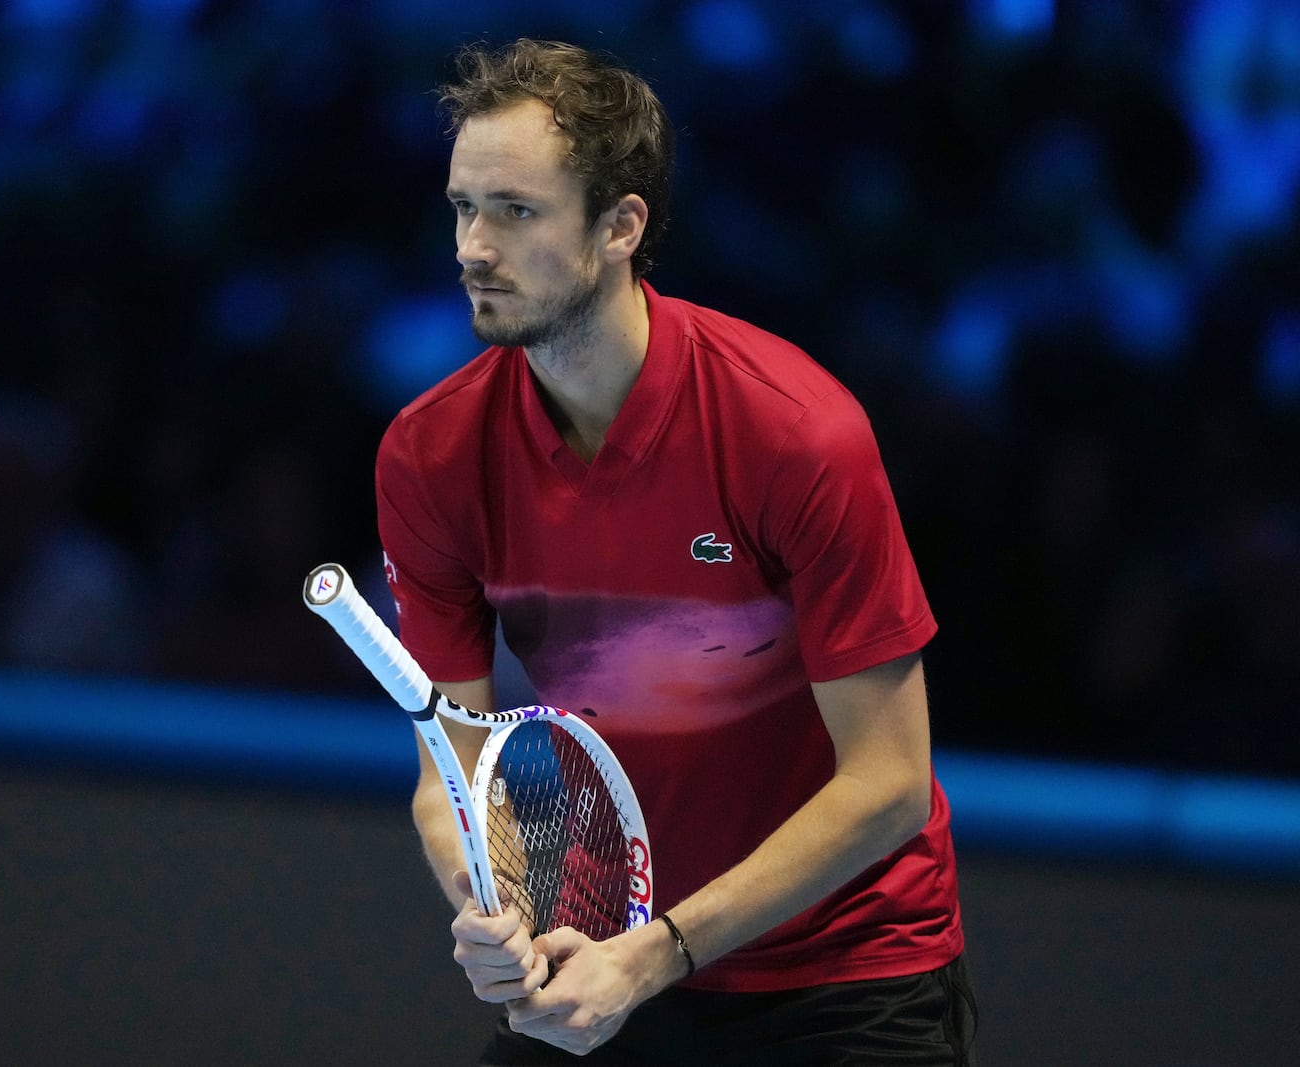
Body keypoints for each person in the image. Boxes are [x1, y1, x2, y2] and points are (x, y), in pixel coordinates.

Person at [374, 39, 976, 1064]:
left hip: (844, 975)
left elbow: (889, 782)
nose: (474, 245)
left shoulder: (793, 433)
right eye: (462, 207)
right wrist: (493, 907)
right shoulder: (428, 455)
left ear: (621, 226)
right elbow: (453, 763)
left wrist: (656, 954)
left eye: (515, 210)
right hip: (609, 955)